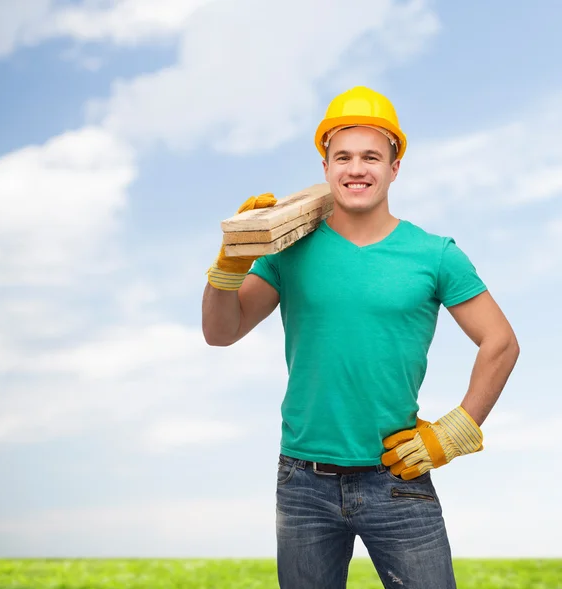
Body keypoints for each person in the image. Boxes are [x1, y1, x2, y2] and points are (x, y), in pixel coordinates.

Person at [201, 86, 520, 589]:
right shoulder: (288, 251)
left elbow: (500, 341)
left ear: (395, 167)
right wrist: (227, 268)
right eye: (343, 156)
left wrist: (455, 431)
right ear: (325, 166)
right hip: (302, 483)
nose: (357, 169)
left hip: (397, 478)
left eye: (372, 156)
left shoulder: (434, 254)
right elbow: (221, 332)